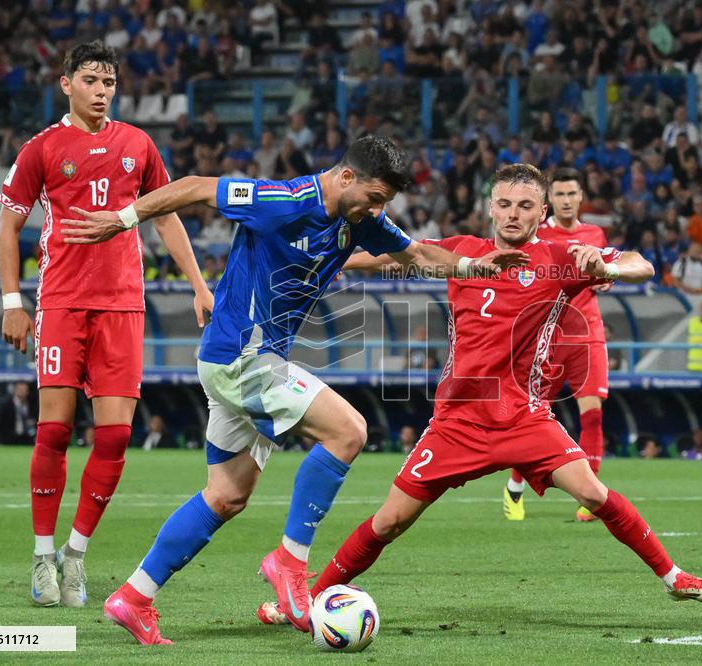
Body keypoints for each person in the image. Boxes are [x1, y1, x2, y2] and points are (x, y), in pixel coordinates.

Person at [61, 136, 528, 643]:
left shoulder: (360, 219)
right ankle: (290, 563)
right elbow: (196, 186)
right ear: (346, 178)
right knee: (349, 430)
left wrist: (473, 268)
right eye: (376, 197)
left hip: (251, 360)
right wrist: (122, 220)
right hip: (241, 357)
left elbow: (414, 253)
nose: (379, 209)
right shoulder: (282, 200)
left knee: (226, 496)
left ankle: (134, 596)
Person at [258, 164, 702, 628]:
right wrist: (322, 260)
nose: (513, 214)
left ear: (542, 212)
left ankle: (675, 577)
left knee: (592, 492)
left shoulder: (562, 258)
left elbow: (641, 265)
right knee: (389, 522)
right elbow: (395, 256)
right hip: (456, 423)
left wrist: (604, 264)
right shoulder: (463, 252)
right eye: (504, 204)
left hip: (524, 418)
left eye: (525, 206)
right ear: (490, 208)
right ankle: (306, 601)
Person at [0, 41, 211, 609]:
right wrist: (12, 302)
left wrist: (197, 283)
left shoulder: (137, 145)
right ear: (65, 83)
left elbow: (164, 216)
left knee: (115, 436)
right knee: (55, 431)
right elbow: (7, 228)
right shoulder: (41, 148)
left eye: (109, 81)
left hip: (122, 306)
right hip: (63, 304)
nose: (102, 89)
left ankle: (75, 555)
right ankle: (42, 555)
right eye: (91, 79)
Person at [501, 168, 613, 523]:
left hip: (587, 333)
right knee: (531, 419)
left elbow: (605, 269)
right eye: (560, 195)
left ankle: (590, 498)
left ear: (581, 197)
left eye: (572, 194)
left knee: (592, 414)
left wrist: (606, 277)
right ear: (550, 202)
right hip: (545, 337)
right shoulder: (538, 237)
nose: (567, 201)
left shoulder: (594, 234)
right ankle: (515, 486)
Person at [0, 381, 38, 446]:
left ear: (28, 392)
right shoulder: (5, 404)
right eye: (20, 389)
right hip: (9, 438)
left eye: (24, 390)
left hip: (27, 438)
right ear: (15, 390)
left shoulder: (32, 405)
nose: (22, 392)